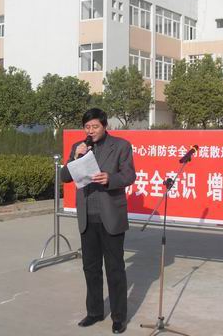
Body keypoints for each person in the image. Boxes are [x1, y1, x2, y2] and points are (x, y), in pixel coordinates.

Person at [61, 108, 136, 334]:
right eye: (87, 127)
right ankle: (94, 312)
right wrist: (76, 158)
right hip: (87, 217)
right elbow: (65, 176)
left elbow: (129, 175)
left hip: (111, 216)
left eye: (95, 126)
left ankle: (119, 318)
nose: (90, 131)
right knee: (91, 268)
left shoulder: (121, 146)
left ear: (105, 126)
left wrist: (110, 178)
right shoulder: (79, 147)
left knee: (115, 269)